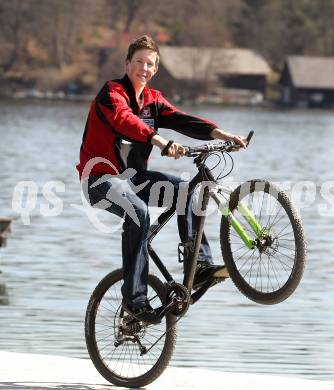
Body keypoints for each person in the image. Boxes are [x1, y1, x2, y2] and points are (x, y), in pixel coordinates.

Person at [77, 35, 247, 324]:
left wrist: (222, 135)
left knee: (186, 192)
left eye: (150, 64)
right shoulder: (112, 93)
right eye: (139, 61)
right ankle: (135, 300)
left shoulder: (153, 101)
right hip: (100, 180)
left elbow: (183, 119)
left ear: (155, 70)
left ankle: (201, 265)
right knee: (138, 213)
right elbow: (123, 120)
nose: (144, 68)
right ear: (127, 63)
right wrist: (159, 140)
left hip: (136, 180)